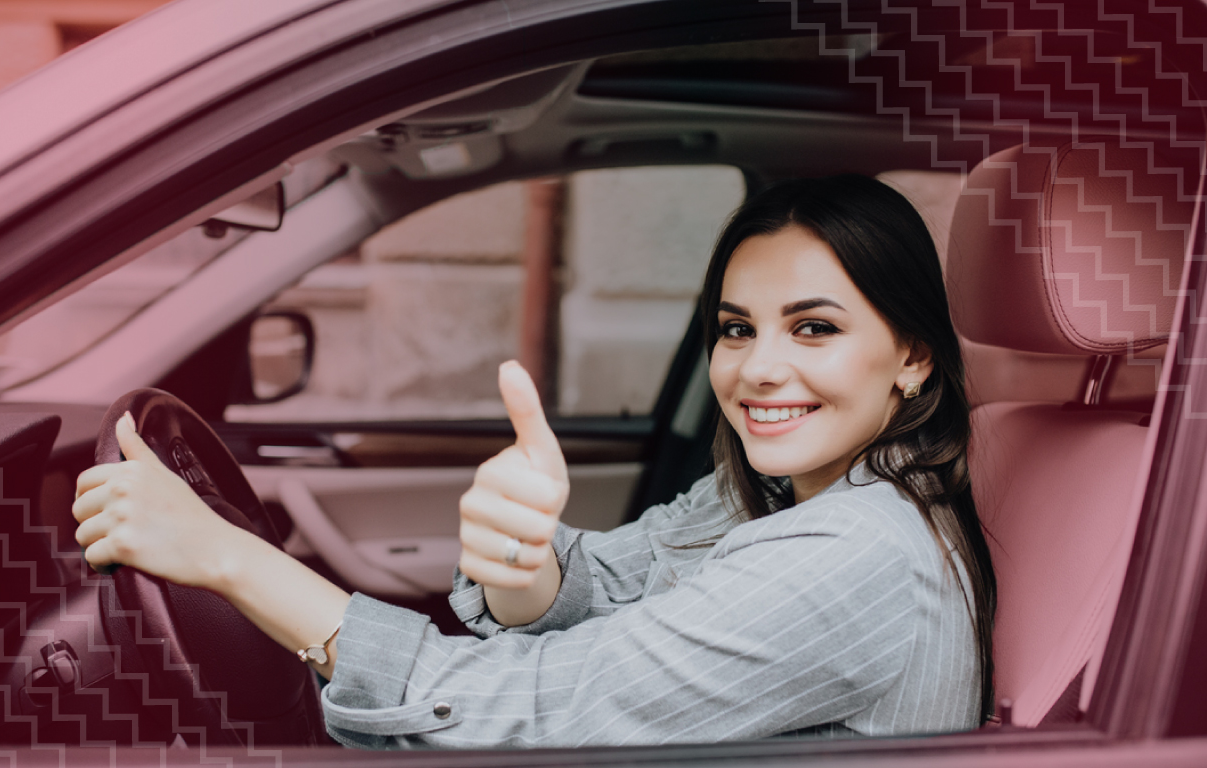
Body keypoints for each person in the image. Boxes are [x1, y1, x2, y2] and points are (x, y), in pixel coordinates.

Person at [73, 174, 996, 748]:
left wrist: (229, 559)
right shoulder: (777, 491)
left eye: (815, 329)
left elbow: (517, 712)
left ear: (912, 355)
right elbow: (610, 579)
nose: (758, 368)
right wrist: (530, 568)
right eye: (735, 329)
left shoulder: (852, 555)